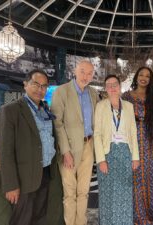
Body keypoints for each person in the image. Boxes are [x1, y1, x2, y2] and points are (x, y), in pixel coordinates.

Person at [0, 69, 56, 225]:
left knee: (39, 218)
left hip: (45, 172)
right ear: (25, 84)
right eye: (35, 84)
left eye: (44, 86)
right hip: (23, 179)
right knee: (23, 220)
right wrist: (11, 185)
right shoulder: (10, 110)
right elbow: (5, 151)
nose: (40, 89)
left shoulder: (44, 110)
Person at [122, 66, 153, 225]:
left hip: (151, 144)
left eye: (147, 76)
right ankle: (136, 216)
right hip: (132, 143)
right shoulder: (126, 97)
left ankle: (151, 216)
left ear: (151, 80)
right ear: (136, 77)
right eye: (141, 75)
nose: (144, 78)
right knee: (135, 179)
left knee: (151, 179)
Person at [51, 60, 98, 225]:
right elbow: (57, 123)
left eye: (90, 73)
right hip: (69, 149)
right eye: (83, 71)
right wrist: (65, 151)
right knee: (70, 193)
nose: (86, 76)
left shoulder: (93, 94)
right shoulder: (61, 91)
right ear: (75, 71)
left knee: (84, 192)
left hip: (88, 146)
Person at [94, 74, 140, 225]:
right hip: (108, 152)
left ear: (120, 87)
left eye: (115, 84)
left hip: (125, 152)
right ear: (106, 89)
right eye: (109, 85)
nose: (112, 87)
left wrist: (135, 156)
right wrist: (101, 159)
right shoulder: (100, 106)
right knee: (107, 192)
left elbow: (133, 132)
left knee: (125, 192)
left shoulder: (128, 106)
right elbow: (97, 134)